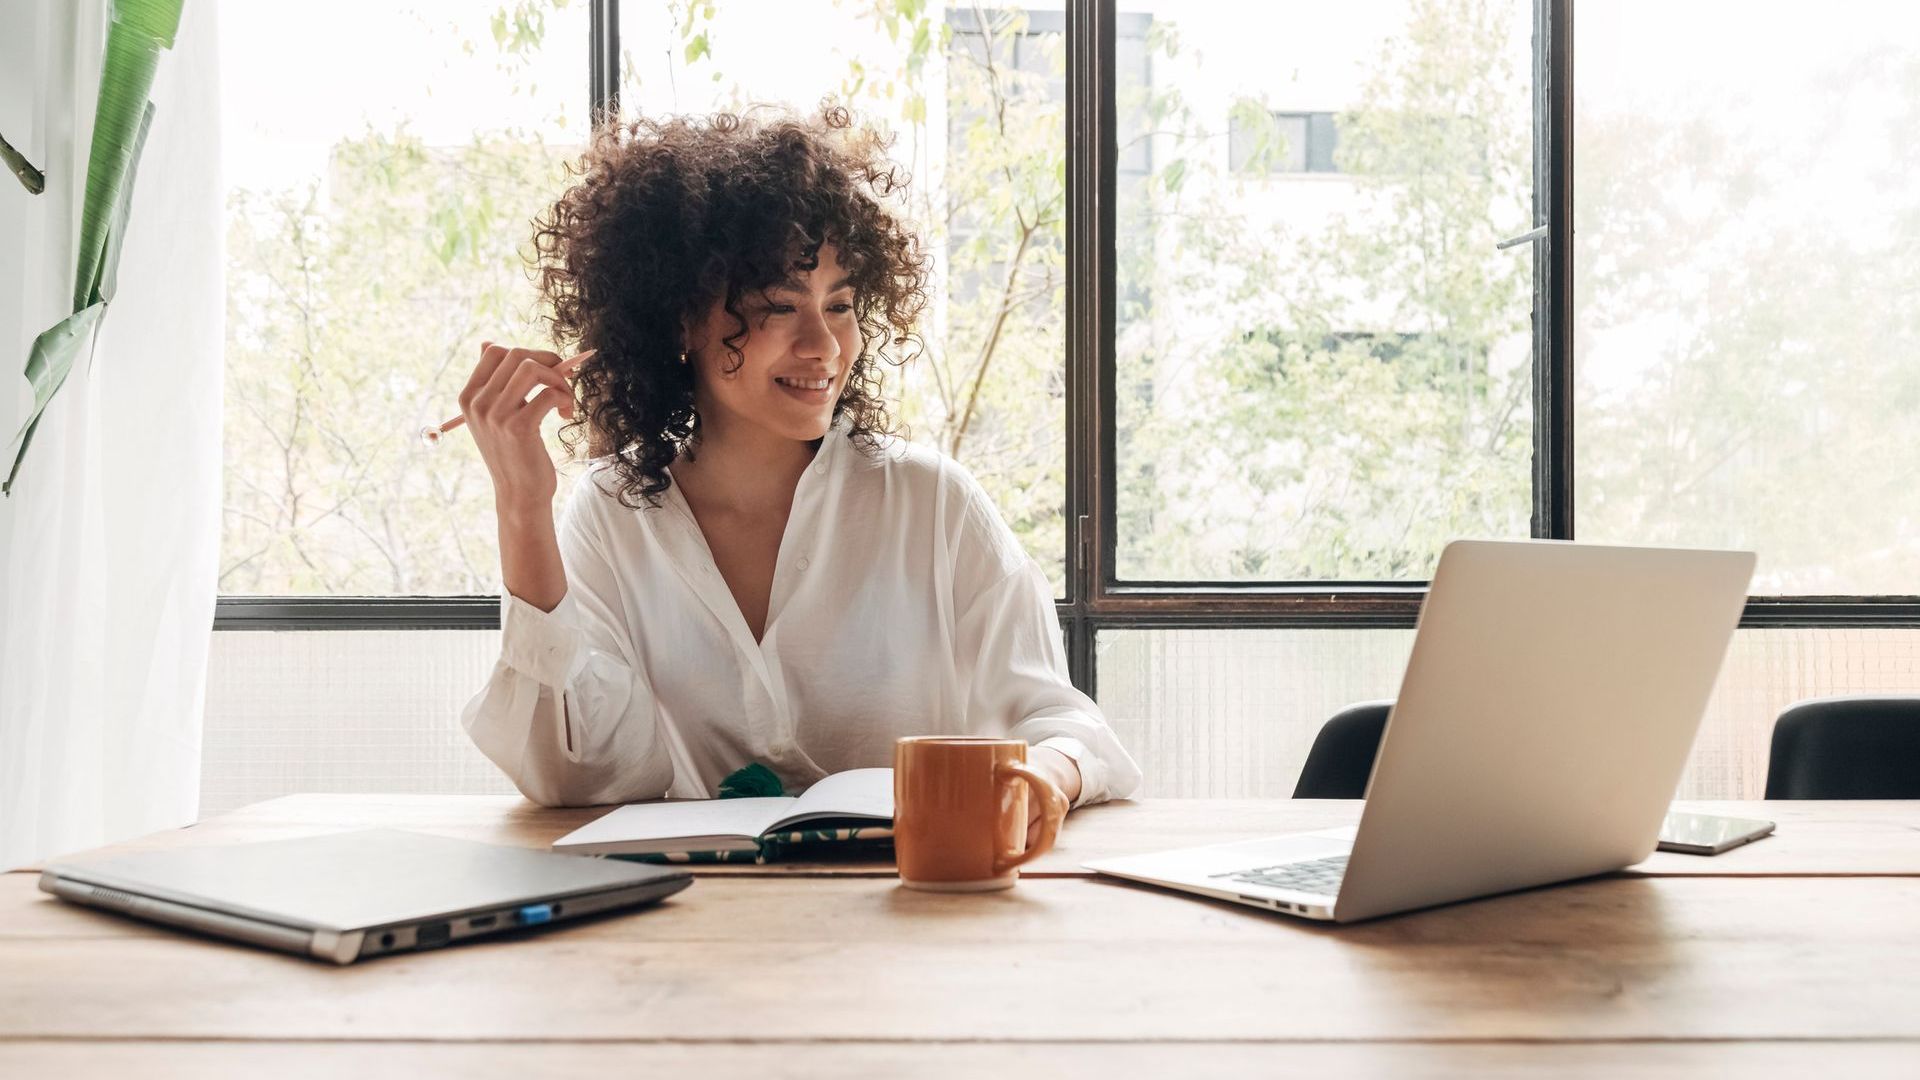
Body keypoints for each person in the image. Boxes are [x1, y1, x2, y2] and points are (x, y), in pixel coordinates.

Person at [458, 104, 1141, 841]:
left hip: (913, 922)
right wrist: (522, 508)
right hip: (694, 924)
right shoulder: (610, 514)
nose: (824, 345)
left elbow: (1067, 726)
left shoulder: (930, 504)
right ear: (679, 322)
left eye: (841, 304)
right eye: (779, 307)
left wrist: (1045, 777)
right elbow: (575, 777)